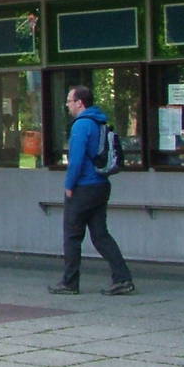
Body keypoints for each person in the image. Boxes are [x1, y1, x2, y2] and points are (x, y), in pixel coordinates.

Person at [49, 84, 135, 295]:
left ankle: (69, 282)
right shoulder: (99, 121)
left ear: (80, 103)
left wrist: (69, 186)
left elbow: (76, 160)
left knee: (72, 235)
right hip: (101, 185)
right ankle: (122, 278)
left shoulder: (81, 125)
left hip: (83, 187)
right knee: (100, 235)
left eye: (69, 101)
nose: (67, 105)